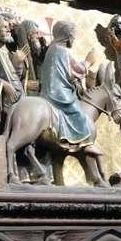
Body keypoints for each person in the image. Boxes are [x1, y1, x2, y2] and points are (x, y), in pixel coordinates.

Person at [39, 21, 95, 149]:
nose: (74, 39)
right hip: (58, 92)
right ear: (68, 36)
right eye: (73, 36)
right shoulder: (62, 50)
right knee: (78, 113)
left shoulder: (52, 49)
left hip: (49, 89)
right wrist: (88, 61)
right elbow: (76, 70)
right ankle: (78, 142)